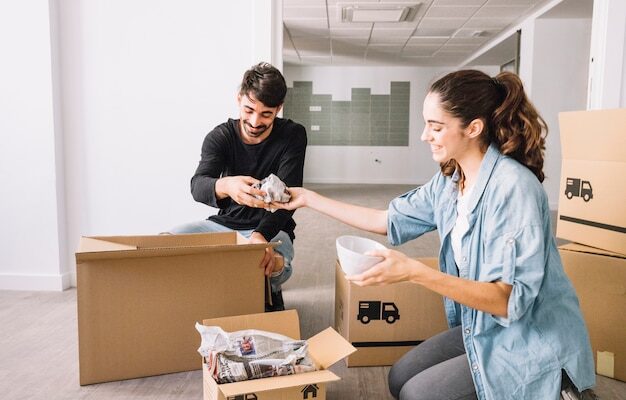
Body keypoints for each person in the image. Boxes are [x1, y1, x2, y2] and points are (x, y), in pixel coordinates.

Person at [272, 70, 596, 399]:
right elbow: (388, 219)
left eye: (436, 126)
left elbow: (507, 300)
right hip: (484, 324)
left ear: (473, 128)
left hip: (529, 338)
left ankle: (561, 390)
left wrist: (415, 272)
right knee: (399, 377)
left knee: (417, 394)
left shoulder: (513, 188)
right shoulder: (451, 179)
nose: (425, 136)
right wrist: (308, 199)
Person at [170, 62, 307, 312]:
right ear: (239, 99)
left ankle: (270, 291)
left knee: (273, 262)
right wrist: (227, 185)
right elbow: (197, 186)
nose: (255, 121)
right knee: (167, 243)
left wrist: (259, 236)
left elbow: (288, 201)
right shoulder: (220, 136)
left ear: (278, 109)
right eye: (249, 110)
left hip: (272, 227)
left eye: (267, 114)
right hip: (224, 225)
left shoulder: (293, 135)